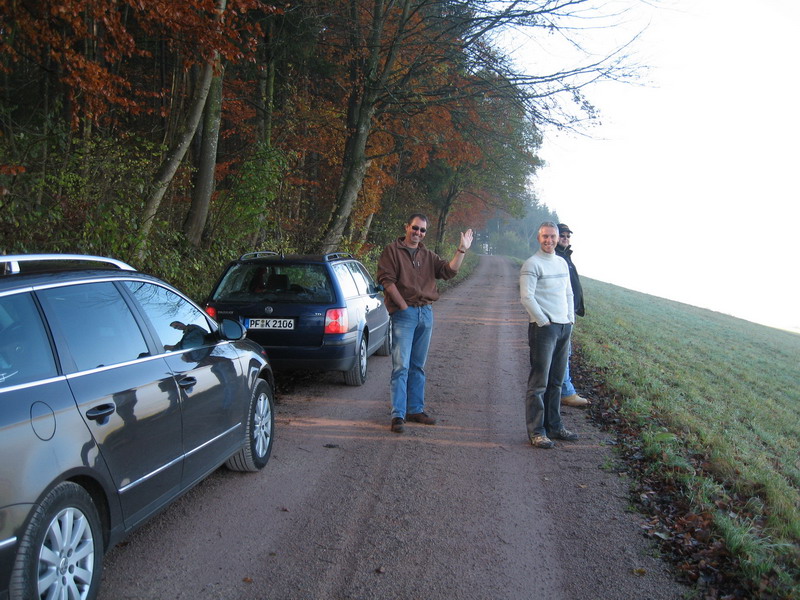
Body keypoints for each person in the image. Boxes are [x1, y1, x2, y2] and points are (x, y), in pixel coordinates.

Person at [377, 213, 473, 433]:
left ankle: (415, 410)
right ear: (407, 227)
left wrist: (461, 250)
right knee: (401, 366)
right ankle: (398, 415)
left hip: (426, 313)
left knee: (417, 366)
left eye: (422, 230)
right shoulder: (392, 251)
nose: (418, 233)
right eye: (415, 228)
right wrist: (403, 306)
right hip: (405, 314)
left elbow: (449, 271)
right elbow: (386, 281)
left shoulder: (428, 255)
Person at [520, 221, 580, 448]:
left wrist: (570, 319)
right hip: (544, 329)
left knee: (556, 382)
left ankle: (554, 426)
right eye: (545, 236)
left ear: (557, 238)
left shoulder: (561, 263)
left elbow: (568, 293)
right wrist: (543, 321)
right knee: (539, 383)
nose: (549, 240)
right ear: (539, 238)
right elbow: (527, 297)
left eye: (553, 236)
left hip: (564, 327)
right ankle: (537, 431)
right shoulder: (532, 264)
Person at [555, 223, 590, 408]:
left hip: (568, 312)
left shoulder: (565, 256)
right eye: (562, 235)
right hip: (561, 313)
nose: (566, 238)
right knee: (563, 352)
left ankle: (558, 389)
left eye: (568, 236)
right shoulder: (557, 257)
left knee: (562, 351)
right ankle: (566, 392)